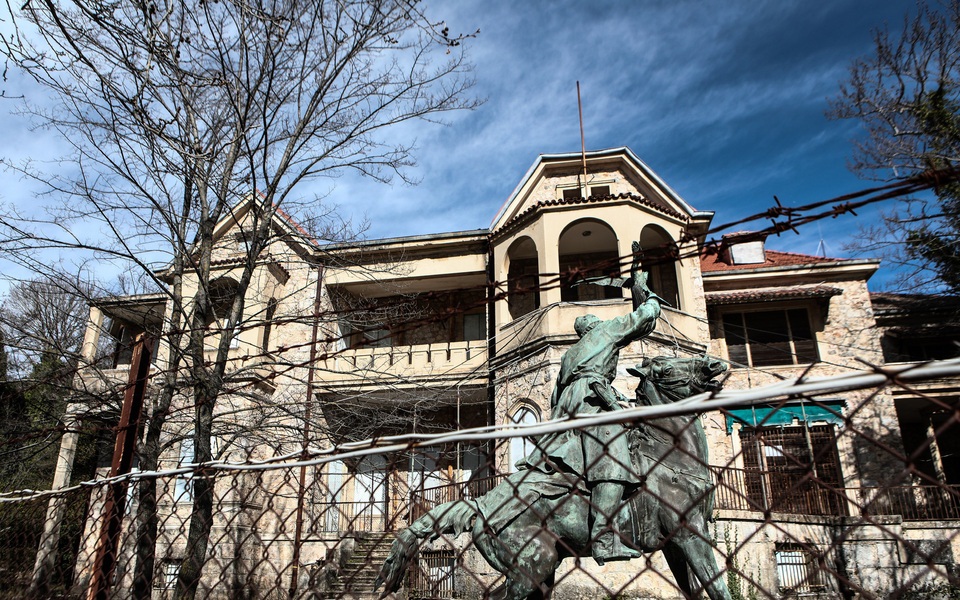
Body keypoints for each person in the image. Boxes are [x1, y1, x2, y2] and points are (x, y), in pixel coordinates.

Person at [520, 241, 662, 564]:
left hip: (564, 416)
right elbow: (646, 317)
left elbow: (555, 397)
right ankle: (603, 536)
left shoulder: (569, 356)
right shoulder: (606, 333)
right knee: (613, 453)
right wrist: (643, 288)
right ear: (595, 328)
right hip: (591, 405)